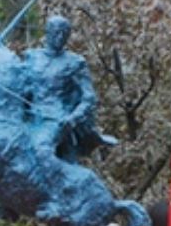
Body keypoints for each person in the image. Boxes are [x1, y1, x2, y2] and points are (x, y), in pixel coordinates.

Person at [22, 15, 116, 164]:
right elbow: (21, 85)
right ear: (47, 33)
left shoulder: (75, 63)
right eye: (56, 32)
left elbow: (89, 97)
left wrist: (72, 119)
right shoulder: (31, 57)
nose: (60, 37)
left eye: (64, 33)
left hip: (56, 119)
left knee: (40, 152)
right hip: (29, 115)